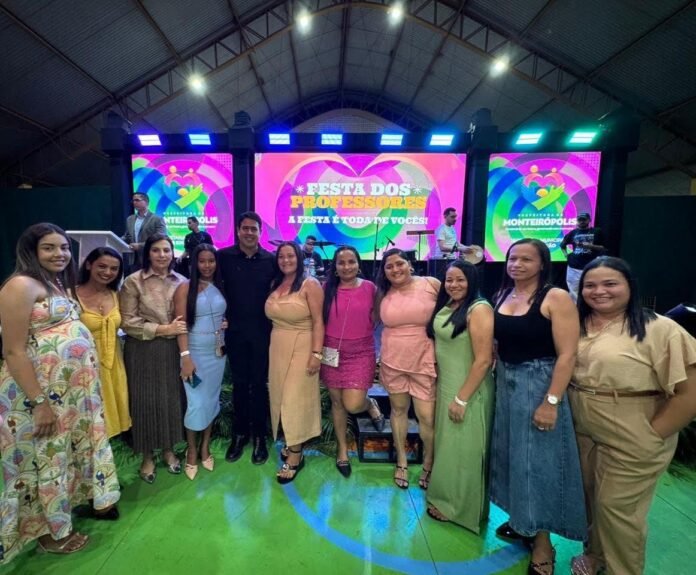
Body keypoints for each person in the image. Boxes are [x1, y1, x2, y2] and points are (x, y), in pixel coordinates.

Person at [0, 223, 120, 561]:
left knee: (60, 457)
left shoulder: (51, 283)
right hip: (37, 398)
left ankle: (61, 518)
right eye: (49, 248)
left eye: (64, 247)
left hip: (69, 397)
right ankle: (48, 534)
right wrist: (39, 403)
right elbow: (13, 351)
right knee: (42, 461)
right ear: (31, 251)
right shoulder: (19, 286)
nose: (60, 254)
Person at [569, 257, 696, 575]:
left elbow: (690, 392)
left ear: (629, 286)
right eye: (590, 285)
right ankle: (595, 554)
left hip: (634, 426)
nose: (599, 291)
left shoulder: (659, 328)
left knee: (617, 508)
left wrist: (654, 433)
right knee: (590, 498)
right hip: (583, 425)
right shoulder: (577, 324)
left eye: (610, 283)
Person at [490, 238, 586, 575]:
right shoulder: (503, 295)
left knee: (537, 464)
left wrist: (551, 401)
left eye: (526, 259)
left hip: (539, 383)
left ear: (542, 263)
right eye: (512, 258)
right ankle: (523, 521)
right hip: (506, 382)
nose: (516, 264)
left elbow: (568, 354)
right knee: (512, 457)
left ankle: (543, 544)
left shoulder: (556, 297)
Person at [425, 260, 494, 532]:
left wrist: (462, 398)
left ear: (472, 281)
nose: (453, 285)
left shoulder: (479, 309)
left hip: (468, 388)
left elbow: (483, 360)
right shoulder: (451, 305)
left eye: (460, 280)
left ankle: (462, 509)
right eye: (449, 280)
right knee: (450, 446)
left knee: (466, 449)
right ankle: (447, 497)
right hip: (448, 384)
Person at [119, 234, 187, 483]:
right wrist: (164, 329)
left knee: (169, 399)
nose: (162, 255)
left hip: (172, 349)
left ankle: (168, 449)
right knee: (144, 400)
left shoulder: (181, 281)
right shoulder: (133, 282)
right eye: (156, 250)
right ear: (147, 253)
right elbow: (128, 322)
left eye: (166, 250)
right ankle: (147, 455)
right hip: (143, 349)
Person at [376, 248, 440, 490]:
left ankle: (429, 463)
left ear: (410, 264)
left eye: (399, 263)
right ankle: (401, 461)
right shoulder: (382, 292)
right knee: (398, 410)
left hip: (424, 360)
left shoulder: (431, 284)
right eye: (389, 266)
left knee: (426, 417)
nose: (395, 269)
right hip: (393, 360)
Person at [320, 246, 384, 478]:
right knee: (337, 403)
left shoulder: (370, 288)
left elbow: (378, 318)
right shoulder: (326, 289)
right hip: (331, 352)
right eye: (341, 262)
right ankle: (342, 450)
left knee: (353, 404)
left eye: (351, 262)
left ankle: (370, 404)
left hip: (360, 352)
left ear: (358, 264)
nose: (346, 267)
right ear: (335, 267)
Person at [218, 212, 276, 465]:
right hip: (235, 332)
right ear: (238, 230)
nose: (249, 233)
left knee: (259, 384)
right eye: (245, 228)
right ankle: (240, 434)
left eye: (254, 229)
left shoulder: (271, 260)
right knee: (240, 384)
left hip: (263, 332)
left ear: (260, 232)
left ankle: (260, 437)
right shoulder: (224, 257)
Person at [265, 242, 324, 483]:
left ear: (299, 258)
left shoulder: (310, 284)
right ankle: (291, 443)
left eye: (291, 256)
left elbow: (319, 321)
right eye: (281, 256)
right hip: (278, 345)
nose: (286, 260)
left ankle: (296, 454)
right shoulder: (275, 283)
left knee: (294, 399)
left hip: (303, 345)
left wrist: (316, 354)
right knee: (280, 397)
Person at [174, 244, 227, 481]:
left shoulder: (221, 285)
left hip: (217, 353)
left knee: (211, 401)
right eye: (202, 261)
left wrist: (225, 322)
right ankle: (192, 449)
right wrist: (186, 357)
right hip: (194, 354)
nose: (207, 266)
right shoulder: (185, 288)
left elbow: (223, 313)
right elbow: (181, 325)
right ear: (194, 263)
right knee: (196, 403)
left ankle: (205, 446)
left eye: (211, 261)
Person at [76, 247, 131, 438]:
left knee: (113, 398)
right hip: (83, 361)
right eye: (102, 266)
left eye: (114, 269)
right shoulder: (71, 295)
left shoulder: (117, 295)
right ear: (89, 265)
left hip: (113, 359)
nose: (108, 272)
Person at [560, 212, 605, 302]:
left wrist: (589, 246)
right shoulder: (573, 232)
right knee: (573, 290)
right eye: (580, 220)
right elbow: (562, 245)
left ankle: (591, 306)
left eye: (584, 219)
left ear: (589, 220)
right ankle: (574, 308)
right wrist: (566, 255)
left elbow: (602, 248)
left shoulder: (596, 231)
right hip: (574, 266)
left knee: (592, 288)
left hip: (591, 266)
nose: (582, 222)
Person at [122, 192, 167, 270]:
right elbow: (127, 236)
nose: (134, 202)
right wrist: (116, 240)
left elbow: (160, 239)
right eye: (133, 200)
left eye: (137, 200)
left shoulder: (157, 219)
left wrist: (140, 246)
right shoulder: (130, 219)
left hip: (150, 258)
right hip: (134, 259)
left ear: (146, 202)